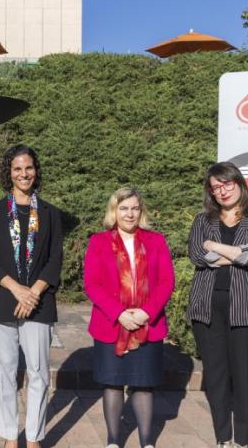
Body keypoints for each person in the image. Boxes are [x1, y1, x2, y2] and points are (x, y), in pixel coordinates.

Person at [0, 144, 63, 448]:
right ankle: (11, 436)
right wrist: (18, 290)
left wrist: (34, 293)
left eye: (28, 168)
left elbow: (55, 259)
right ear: (9, 173)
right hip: (3, 300)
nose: (23, 174)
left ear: (36, 171)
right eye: (17, 168)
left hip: (39, 304)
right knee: (5, 372)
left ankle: (35, 436)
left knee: (39, 372)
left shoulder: (51, 214)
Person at [186, 162, 248, 448]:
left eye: (227, 184)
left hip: (246, 311)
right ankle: (224, 438)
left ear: (239, 183)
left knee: (245, 380)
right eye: (216, 187)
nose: (222, 191)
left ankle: (243, 441)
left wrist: (216, 247)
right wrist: (241, 250)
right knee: (217, 377)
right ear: (210, 192)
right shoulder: (202, 222)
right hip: (207, 310)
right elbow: (199, 256)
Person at [83, 188, 175, 448]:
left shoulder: (156, 241)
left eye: (134, 208)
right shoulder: (98, 242)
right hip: (111, 325)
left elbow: (167, 281)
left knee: (143, 385)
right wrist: (119, 314)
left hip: (149, 323)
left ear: (141, 211)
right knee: (112, 384)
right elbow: (92, 284)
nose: (130, 214)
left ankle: (147, 442)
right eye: (123, 208)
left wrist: (147, 312)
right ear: (114, 211)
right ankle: (114, 441)